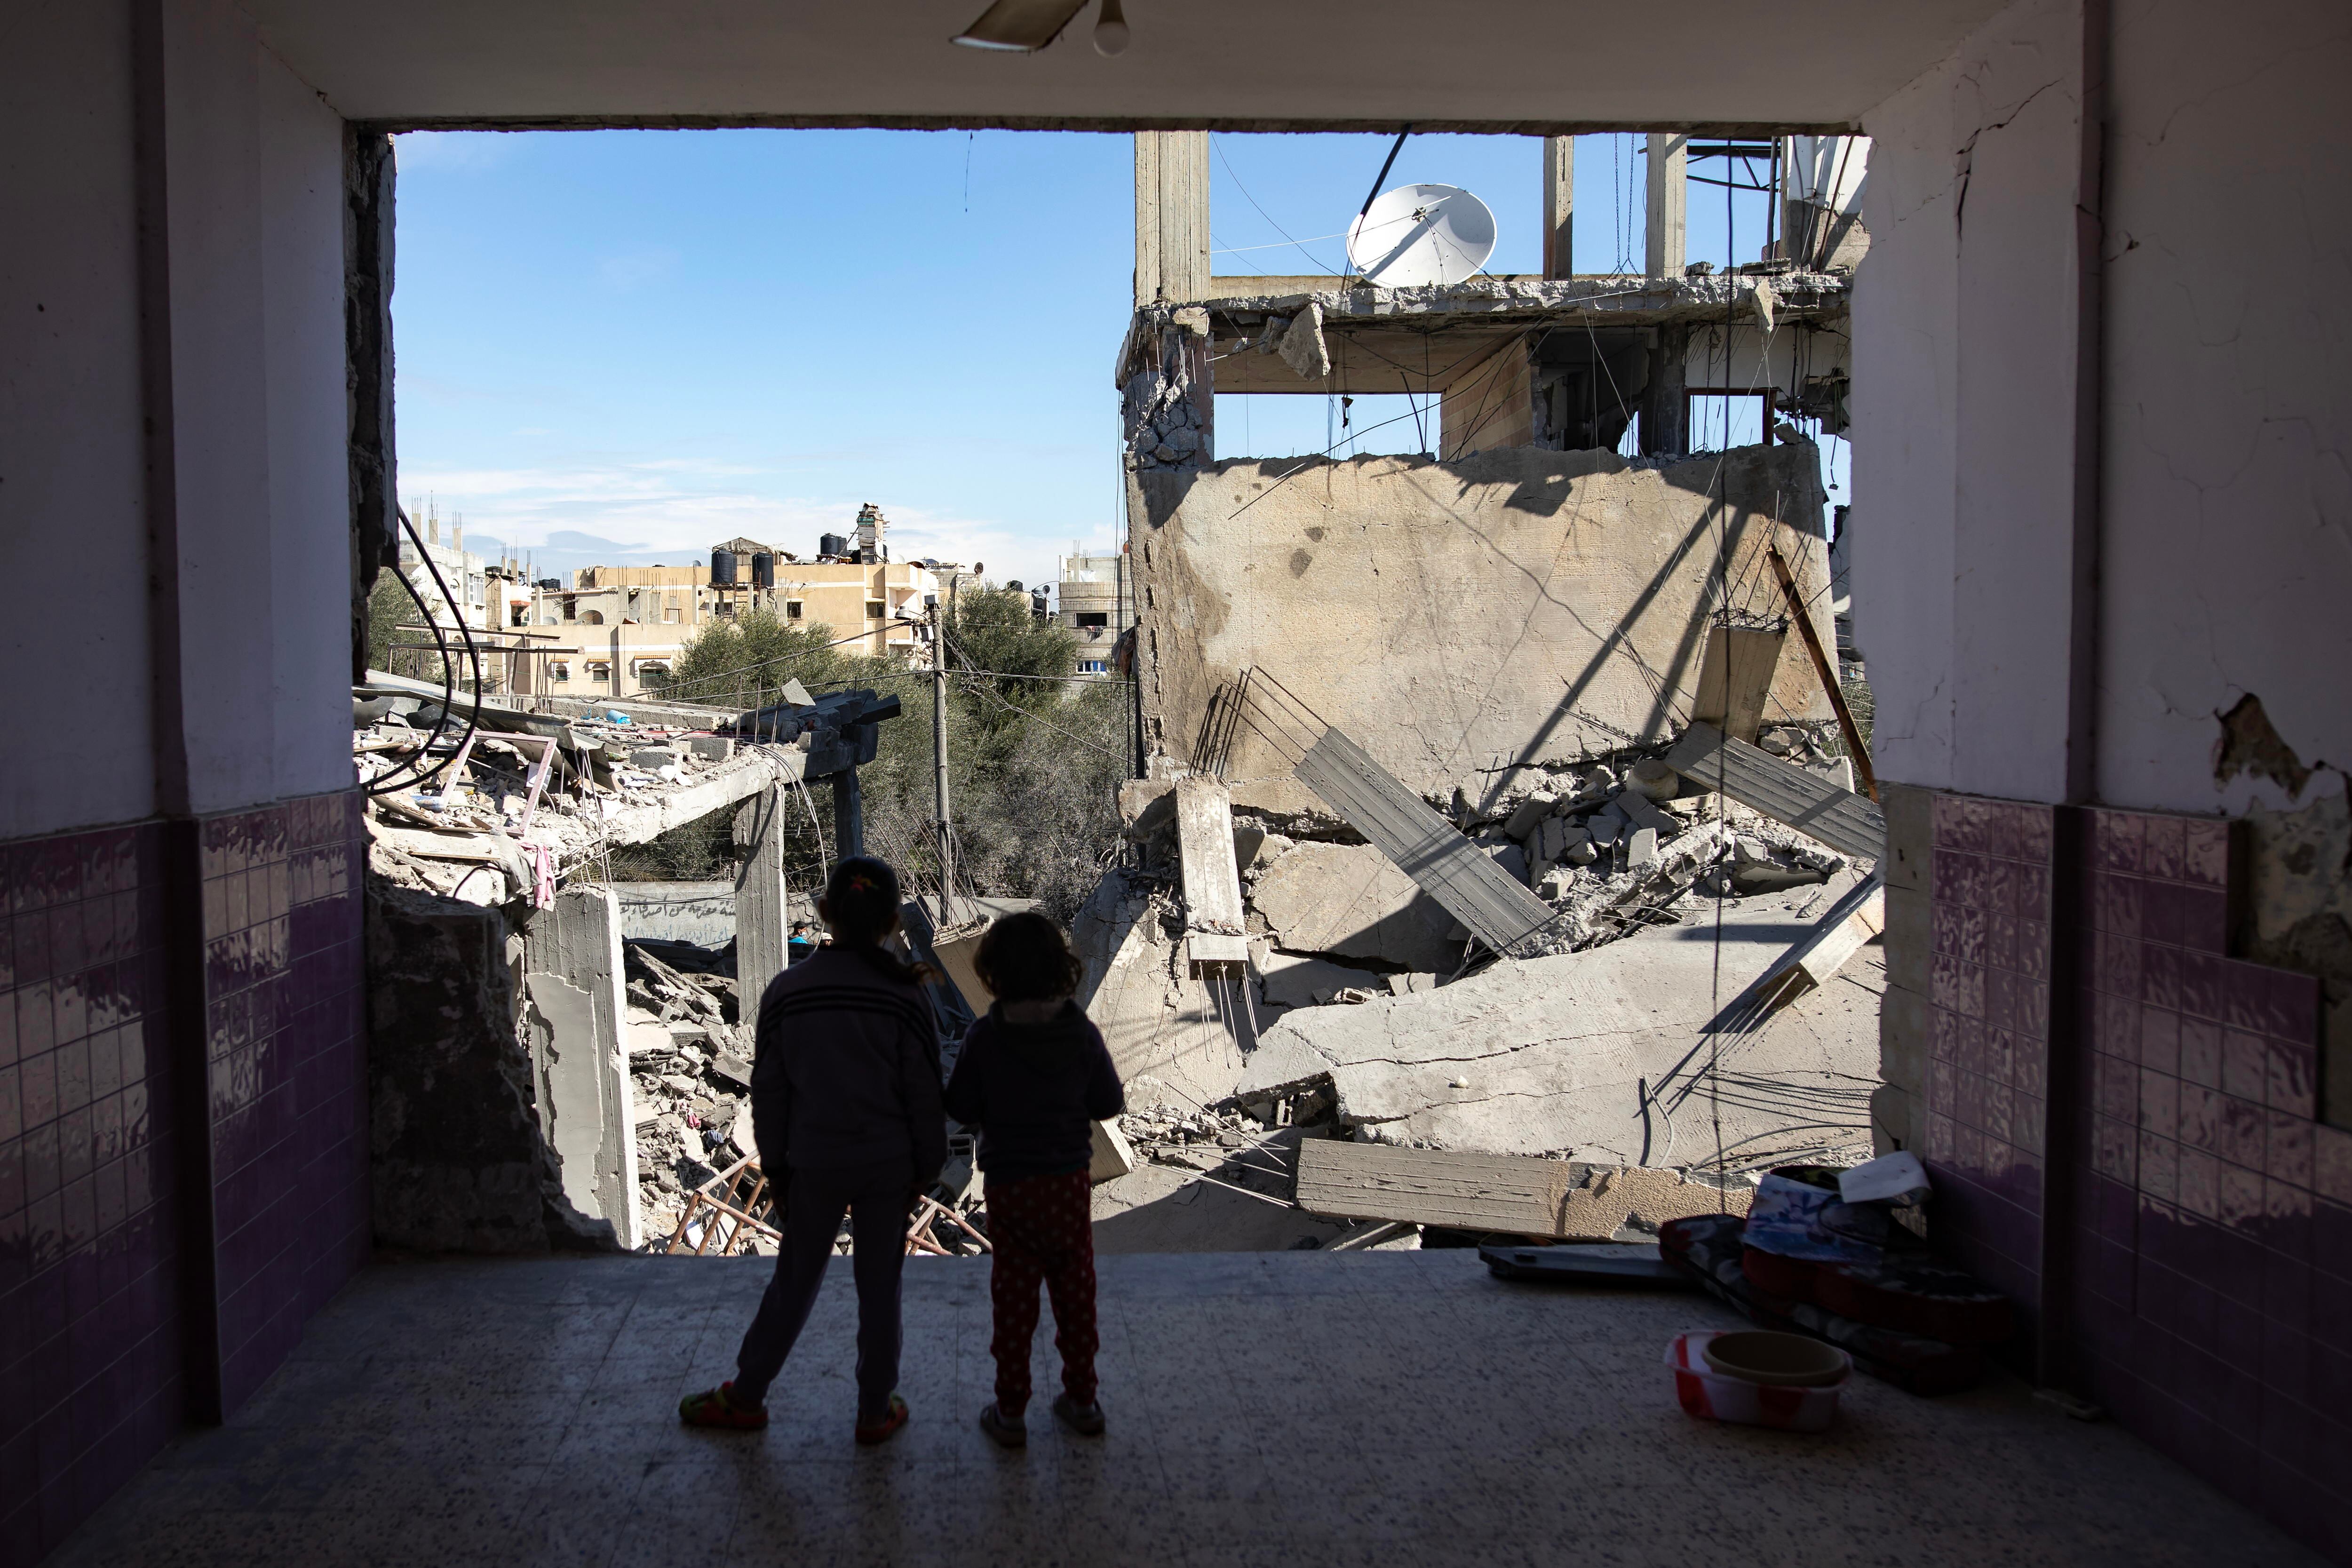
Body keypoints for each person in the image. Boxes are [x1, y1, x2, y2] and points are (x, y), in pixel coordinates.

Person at [678, 857, 944, 1442]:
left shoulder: (788, 990)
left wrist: (776, 1167)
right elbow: (925, 1095)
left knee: (794, 1281)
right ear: (894, 922)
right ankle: (875, 1411)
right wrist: (925, 1168)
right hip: (886, 1167)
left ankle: (746, 1397)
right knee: (881, 1290)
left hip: (812, 1164)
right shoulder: (906, 997)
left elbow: (768, 1092)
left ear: (824, 913)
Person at [943, 912, 1123, 1448]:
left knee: (1014, 1300)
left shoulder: (984, 1036)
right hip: (1068, 1185)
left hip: (1010, 1187)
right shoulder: (1078, 1031)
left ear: (992, 974)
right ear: (1058, 967)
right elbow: (1109, 1102)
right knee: (1075, 1296)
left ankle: (1010, 1412)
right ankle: (1083, 1401)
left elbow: (960, 1107)